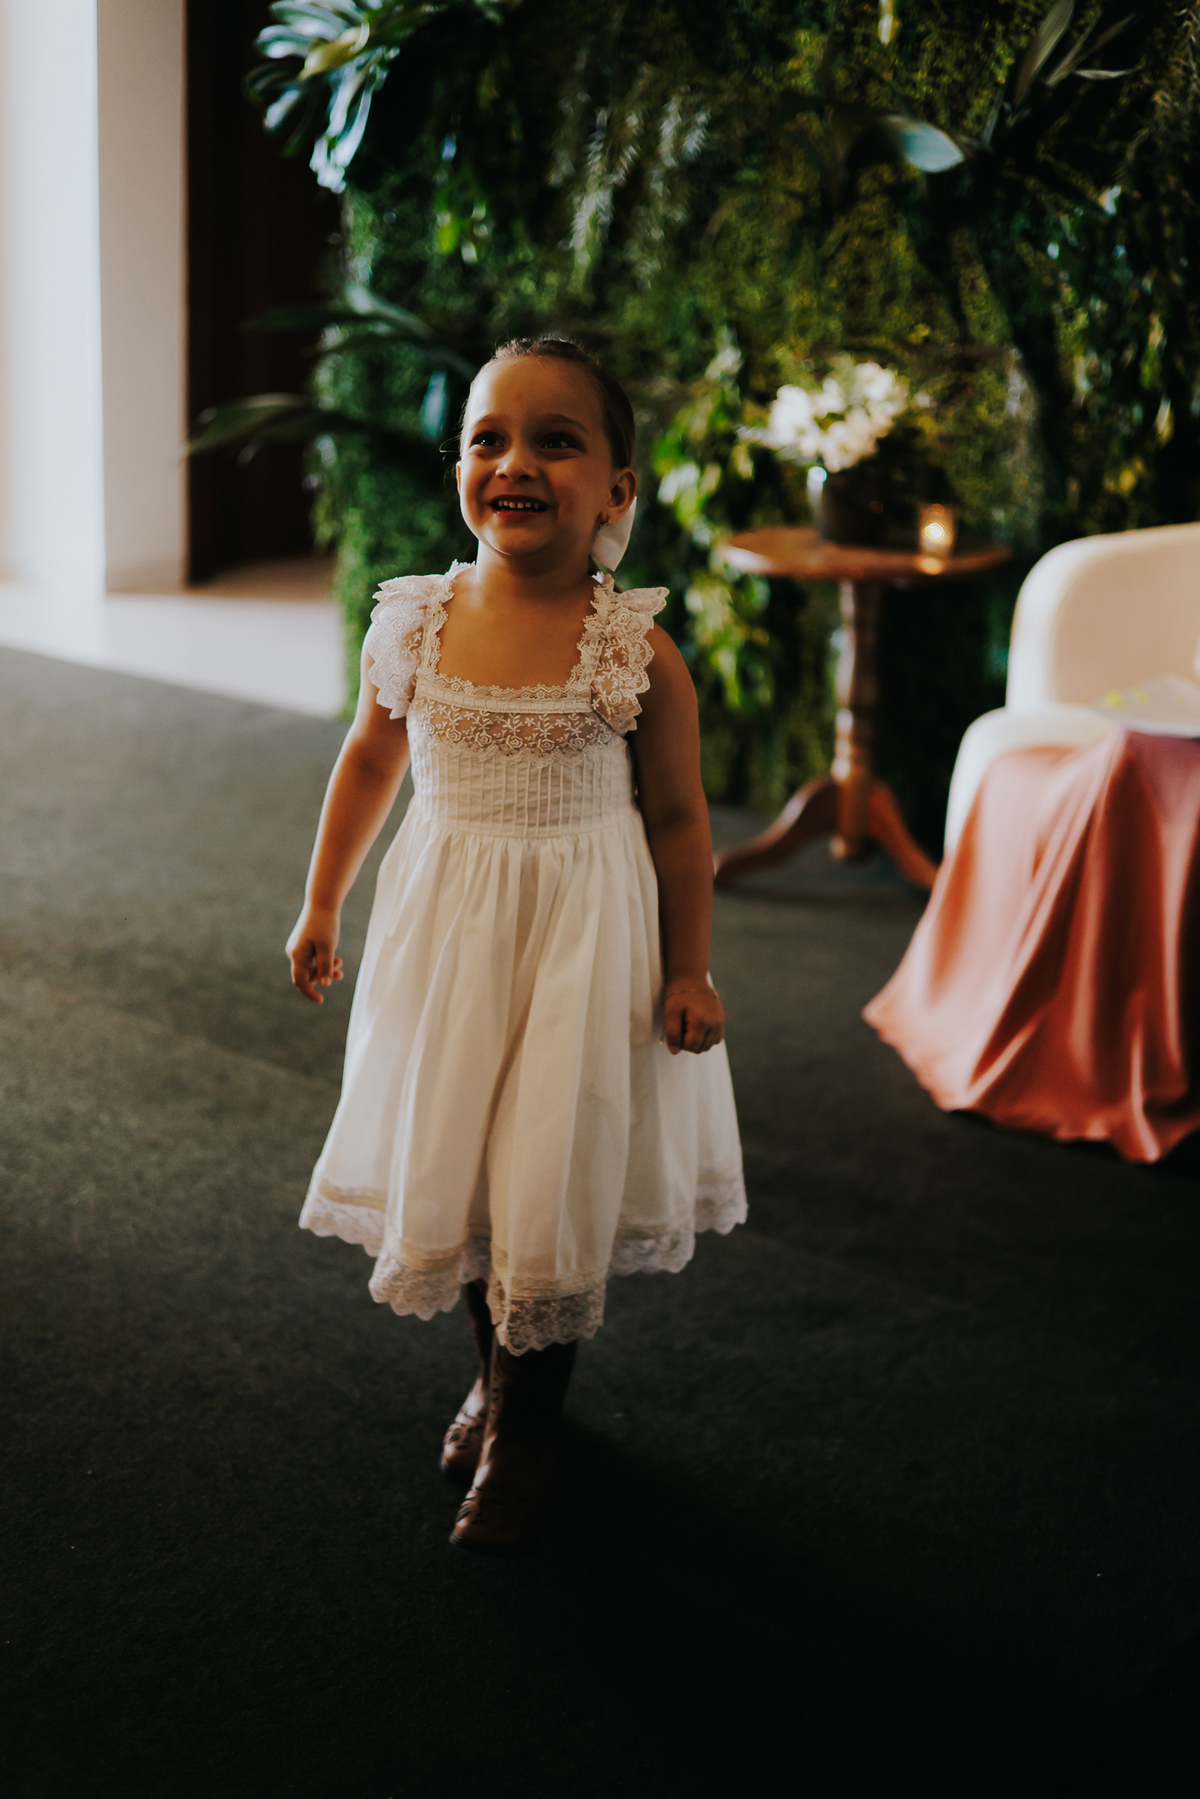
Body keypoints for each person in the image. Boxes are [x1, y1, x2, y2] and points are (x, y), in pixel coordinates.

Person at [287, 336, 745, 1553]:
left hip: (581, 953)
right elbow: (370, 760)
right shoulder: (415, 621)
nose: (515, 462)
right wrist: (322, 901)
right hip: (450, 945)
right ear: (459, 468)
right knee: (468, 1167)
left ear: (617, 489)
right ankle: (492, 1378)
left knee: (551, 1174)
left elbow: (682, 819)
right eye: (487, 438)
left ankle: (524, 1432)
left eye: (557, 441)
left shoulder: (632, 647)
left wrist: (691, 966)